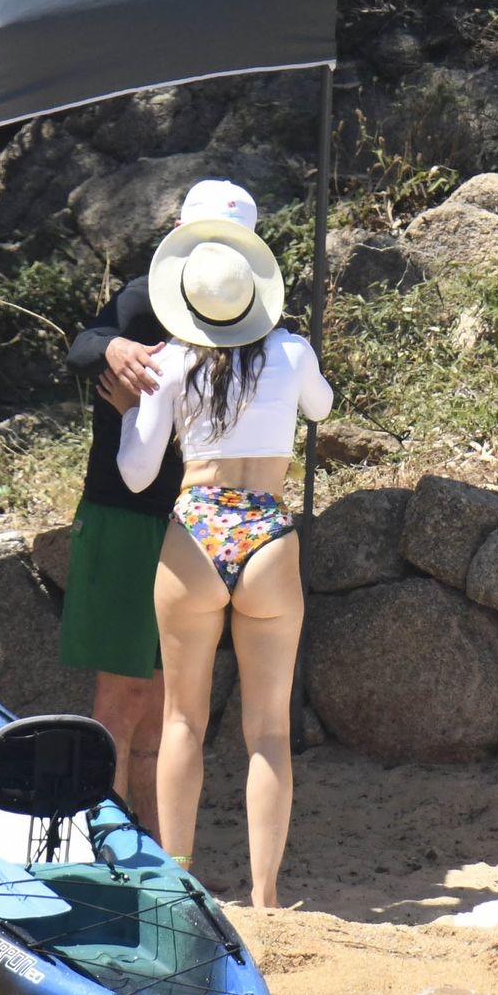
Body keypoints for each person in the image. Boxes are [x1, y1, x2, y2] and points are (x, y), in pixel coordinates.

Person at [112, 212, 332, 909]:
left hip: (197, 529)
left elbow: (137, 475)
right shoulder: (292, 351)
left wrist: (130, 409)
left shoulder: (173, 362)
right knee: (269, 730)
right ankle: (266, 896)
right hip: (266, 530)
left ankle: (178, 884)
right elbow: (322, 407)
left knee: (183, 720)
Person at [63, 179, 261, 830]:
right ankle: (102, 842)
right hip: (126, 516)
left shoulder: (251, 315)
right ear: (178, 236)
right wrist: (113, 347)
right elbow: (82, 348)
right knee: (123, 697)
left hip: (199, 522)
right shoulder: (145, 298)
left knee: (167, 705)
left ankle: (147, 847)